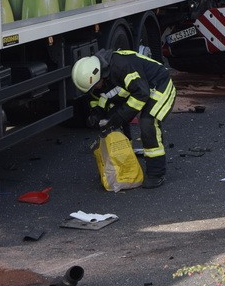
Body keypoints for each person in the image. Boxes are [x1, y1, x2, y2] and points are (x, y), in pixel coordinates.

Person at [71, 49, 176, 188]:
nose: (95, 88)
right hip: (141, 87)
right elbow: (99, 98)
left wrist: (119, 117)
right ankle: (125, 159)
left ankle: (156, 173)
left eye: (95, 85)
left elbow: (141, 94)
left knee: (148, 122)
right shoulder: (101, 75)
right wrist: (96, 114)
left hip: (159, 84)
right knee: (117, 116)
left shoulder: (121, 67)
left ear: (98, 75)